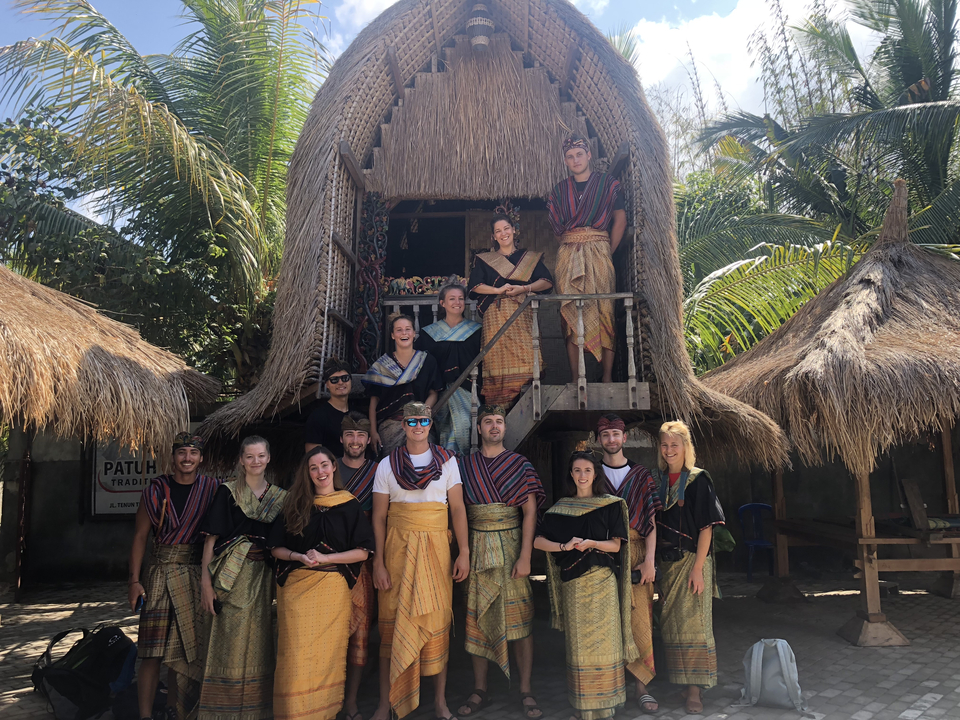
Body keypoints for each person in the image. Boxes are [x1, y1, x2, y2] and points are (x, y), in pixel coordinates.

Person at [369, 402, 470, 720]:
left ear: (430, 423)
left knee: (436, 623)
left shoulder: (448, 461)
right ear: (403, 424)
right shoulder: (387, 464)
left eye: (423, 420)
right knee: (391, 629)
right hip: (397, 554)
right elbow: (379, 517)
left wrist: (464, 552)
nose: (417, 425)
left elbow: (457, 510)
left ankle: (440, 703)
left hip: (437, 553)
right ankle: (386, 705)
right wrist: (378, 563)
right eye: (411, 420)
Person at [267, 446, 375, 720]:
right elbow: (275, 548)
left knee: (327, 659)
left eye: (324, 465)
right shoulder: (295, 503)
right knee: (295, 661)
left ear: (334, 467)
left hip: (332, 593)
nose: (320, 472)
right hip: (296, 594)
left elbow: (363, 551)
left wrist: (328, 557)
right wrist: (299, 556)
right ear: (307, 472)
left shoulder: (349, 504)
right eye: (313, 468)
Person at [457, 406, 545, 720]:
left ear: (504, 428)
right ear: (479, 428)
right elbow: (456, 512)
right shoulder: (464, 467)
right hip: (478, 549)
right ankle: (480, 687)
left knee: (521, 621)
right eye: (488, 422)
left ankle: (525, 688)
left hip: (511, 550)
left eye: (499, 422)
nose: (494, 427)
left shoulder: (519, 464)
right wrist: (463, 552)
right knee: (478, 619)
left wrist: (525, 556)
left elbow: (530, 512)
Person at [534, 451, 637, 720]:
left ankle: (606, 707)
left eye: (587, 470)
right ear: (571, 474)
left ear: (595, 474)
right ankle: (585, 711)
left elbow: (616, 545)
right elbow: (538, 542)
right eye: (577, 470)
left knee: (606, 644)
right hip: (574, 587)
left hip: (603, 584)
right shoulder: (560, 509)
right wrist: (563, 546)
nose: (582, 476)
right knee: (579, 647)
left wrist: (591, 543)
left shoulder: (611, 505)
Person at [127, 433, 221, 720]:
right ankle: (145, 715)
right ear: (173, 456)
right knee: (151, 651)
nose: (187, 458)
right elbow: (141, 537)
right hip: (158, 575)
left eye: (193, 452)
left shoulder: (212, 489)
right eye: (182, 452)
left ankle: (177, 712)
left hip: (195, 575)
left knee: (184, 651)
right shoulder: (155, 491)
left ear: (201, 458)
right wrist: (134, 581)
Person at [198, 436, 287, 720]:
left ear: (268, 458)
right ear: (241, 460)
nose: (255, 461)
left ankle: (255, 711)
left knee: (261, 642)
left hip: (262, 580)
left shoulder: (279, 497)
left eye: (261, 456)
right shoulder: (227, 492)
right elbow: (211, 540)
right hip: (229, 577)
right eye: (250, 457)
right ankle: (220, 712)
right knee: (227, 640)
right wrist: (205, 584)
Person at [653, 421, 725, 714]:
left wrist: (698, 568)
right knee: (673, 627)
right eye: (665, 445)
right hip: (668, 566)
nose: (669, 450)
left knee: (694, 626)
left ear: (685, 447)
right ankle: (685, 684)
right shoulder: (657, 481)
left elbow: (706, 527)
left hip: (692, 561)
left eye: (675, 444)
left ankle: (696, 690)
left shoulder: (697, 480)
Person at [547, 134, 627, 384]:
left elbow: (620, 220)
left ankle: (606, 376)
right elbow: (556, 229)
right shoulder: (559, 191)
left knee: (605, 309)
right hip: (568, 254)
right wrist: (574, 245)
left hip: (600, 251)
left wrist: (606, 250)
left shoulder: (609, 184)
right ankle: (575, 376)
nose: (575, 160)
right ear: (565, 161)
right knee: (571, 314)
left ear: (589, 155)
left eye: (579, 154)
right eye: (570, 157)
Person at [596, 414, 663, 714]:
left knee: (640, 621)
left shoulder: (641, 475)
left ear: (624, 438)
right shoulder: (591, 475)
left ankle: (641, 687)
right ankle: (610, 686)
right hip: (601, 557)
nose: (611, 439)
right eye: (605, 434)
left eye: (615, 434)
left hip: (636, 553)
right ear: (599, 440)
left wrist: (650, 561)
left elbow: (651, 521)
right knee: (605, 621)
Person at [468, 214, 553, 408]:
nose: (503, 233)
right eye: (498, 231)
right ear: (493, 237)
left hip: (521, 313)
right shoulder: (484, 260)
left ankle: (525, 400)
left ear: (514, 230)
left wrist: (524, 289)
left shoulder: (529, 258)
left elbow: (547, 282)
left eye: (506, 228)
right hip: (495, 315)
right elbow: (474, 287)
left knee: (527, 357)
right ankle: (498, 406)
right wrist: (497, 290)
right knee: (495, 361)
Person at [338, 412, 380, 720]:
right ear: (341, 439)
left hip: (363, 563)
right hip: (327, 561)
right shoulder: (327, 468)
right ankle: (326, 696)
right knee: (330, 633)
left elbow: (382, 519)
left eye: (361, 436)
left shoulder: (377, 472)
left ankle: (350, 700)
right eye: (350, 435)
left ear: (368, 440)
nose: (355, 441)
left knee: (359, 634)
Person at [415, 282, 482, 453]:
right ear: (442, 303)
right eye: (452, 298)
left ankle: (459, 470)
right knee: (443, 432)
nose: (457, 302)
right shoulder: (429, 333)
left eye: (461, 298)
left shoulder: (476, 331)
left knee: (465, 428)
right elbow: (421, 365)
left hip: (467, 391)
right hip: (440, 392)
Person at [364, 313, 443, 455]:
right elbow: (374, 401)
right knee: (394, 467)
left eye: (408, 329)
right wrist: (373, 431)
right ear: (393, 335)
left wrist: (422, 414)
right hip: (391, 425)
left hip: (421, 424)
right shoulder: (382, 366)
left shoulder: (427, 361)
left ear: (414, 333)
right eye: (399, 330)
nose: (404, 333)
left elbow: (433, 393)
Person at [305, 358, 354, 457]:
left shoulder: (358, 414)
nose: (340, 382)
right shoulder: (318, 417)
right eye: (334, 380)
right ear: (327, 384)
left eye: (345, 378)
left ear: (350, 380)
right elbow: (313, 457)